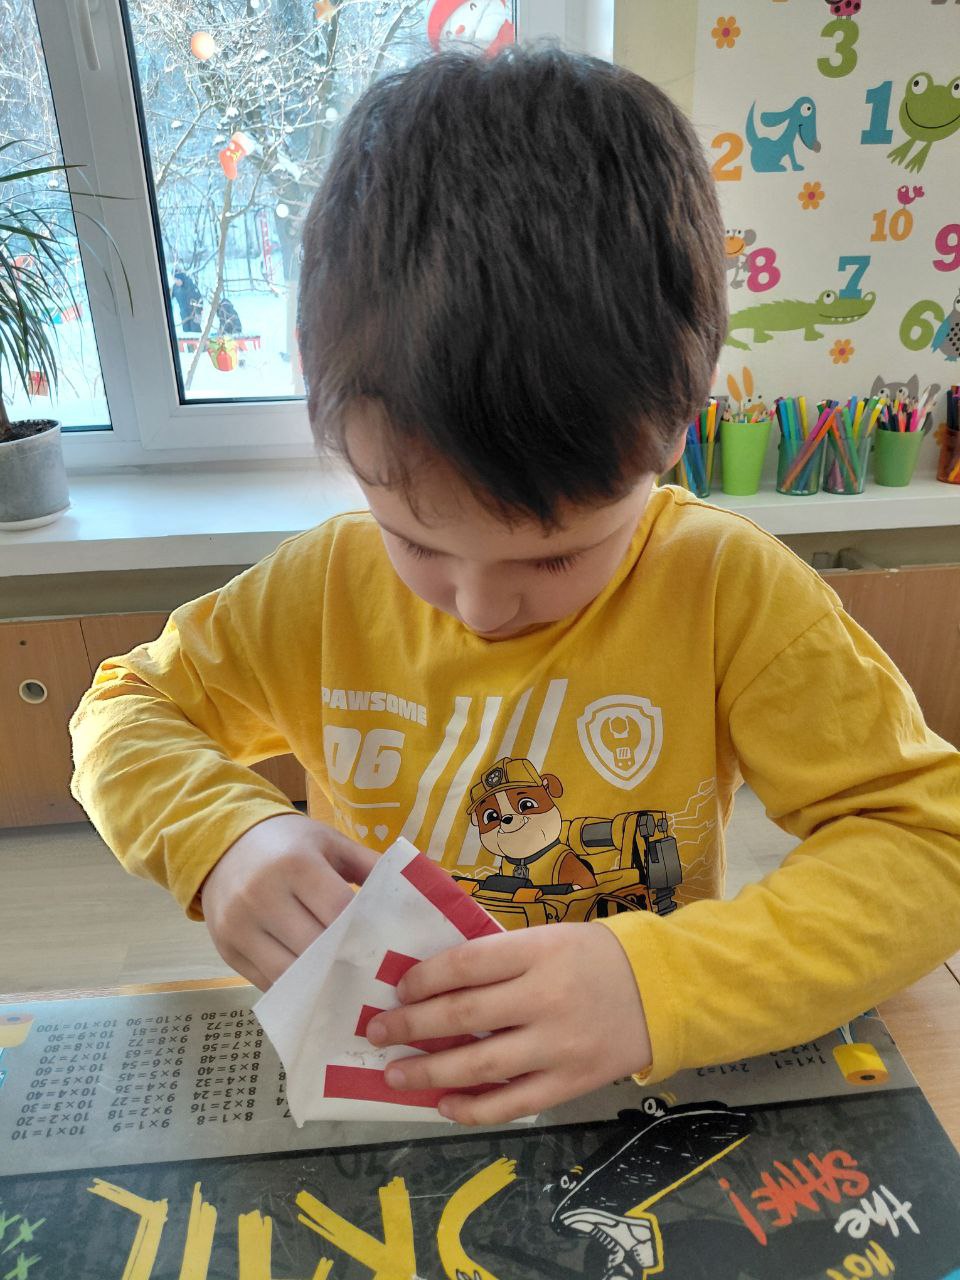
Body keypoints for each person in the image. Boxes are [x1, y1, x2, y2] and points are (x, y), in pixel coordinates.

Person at [70, 47, 960, 1127]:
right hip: (391, 1086)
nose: (481, 608)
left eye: (556, 557)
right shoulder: (321, 586)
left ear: (673, 433)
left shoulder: (727, 590)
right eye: (413, 539)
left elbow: (928, 844)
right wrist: (221, 837)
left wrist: (657, 985)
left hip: (630, 1085)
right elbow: (123, 708)